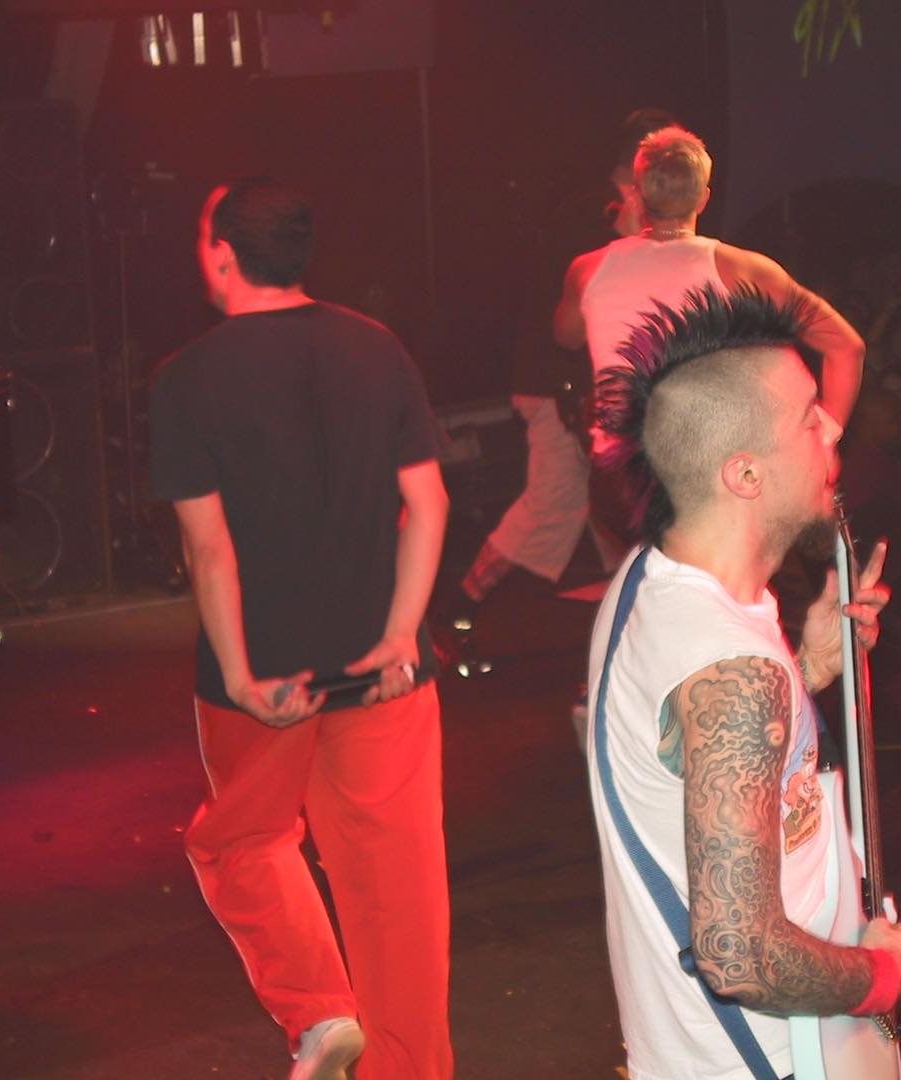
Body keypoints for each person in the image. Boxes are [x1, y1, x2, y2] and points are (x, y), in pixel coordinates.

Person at [585, 286, 901, 1080]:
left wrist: (805, 670)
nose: (831, 429)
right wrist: (885, 973)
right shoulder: (731, 670)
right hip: (763, 1062)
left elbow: (695, 756)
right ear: (744, 472)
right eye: (808, 417)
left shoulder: (655, 580)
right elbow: (739, 953)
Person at [149, 180, 453, 1080]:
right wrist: (400, 635)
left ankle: (320, 1014)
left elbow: (210, 552)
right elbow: (428, 505)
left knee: (241, 843)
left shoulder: (186, 377)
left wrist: (241, 675)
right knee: (397, 890)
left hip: (267, 671)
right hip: (383, 669)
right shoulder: (376, 346)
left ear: (222, 255)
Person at [441, 108, 678, 664]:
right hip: (561, 386)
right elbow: (571, 314)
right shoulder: (597, 214)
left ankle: (633, 633)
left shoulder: (609, 209)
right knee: (555, 508)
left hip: (579, 387)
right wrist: (575, 392)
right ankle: (457, 611)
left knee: (611, 516)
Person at [553, 125, 864, 549]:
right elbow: (846, 347)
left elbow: (566, 337)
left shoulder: (588, 270)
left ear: (638, 195)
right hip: (708, 487)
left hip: (622, 486)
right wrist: (825, 436)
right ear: (703, 197)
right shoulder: (744, 271)